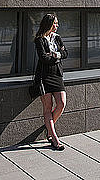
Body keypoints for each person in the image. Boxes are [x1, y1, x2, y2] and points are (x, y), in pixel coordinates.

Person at [29, 13, 67, 151]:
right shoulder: (39, 39)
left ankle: (48, 128)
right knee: (47, 107)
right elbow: (43, 58)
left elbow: (66, 53)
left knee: (61, 103)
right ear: (48, 24)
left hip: (56, 75)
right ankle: (54, 138)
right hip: (44, 77)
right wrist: (57, 56)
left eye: (57, 23)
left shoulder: (57, 38)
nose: (57, 25)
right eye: (55, 23)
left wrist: (55, 55)